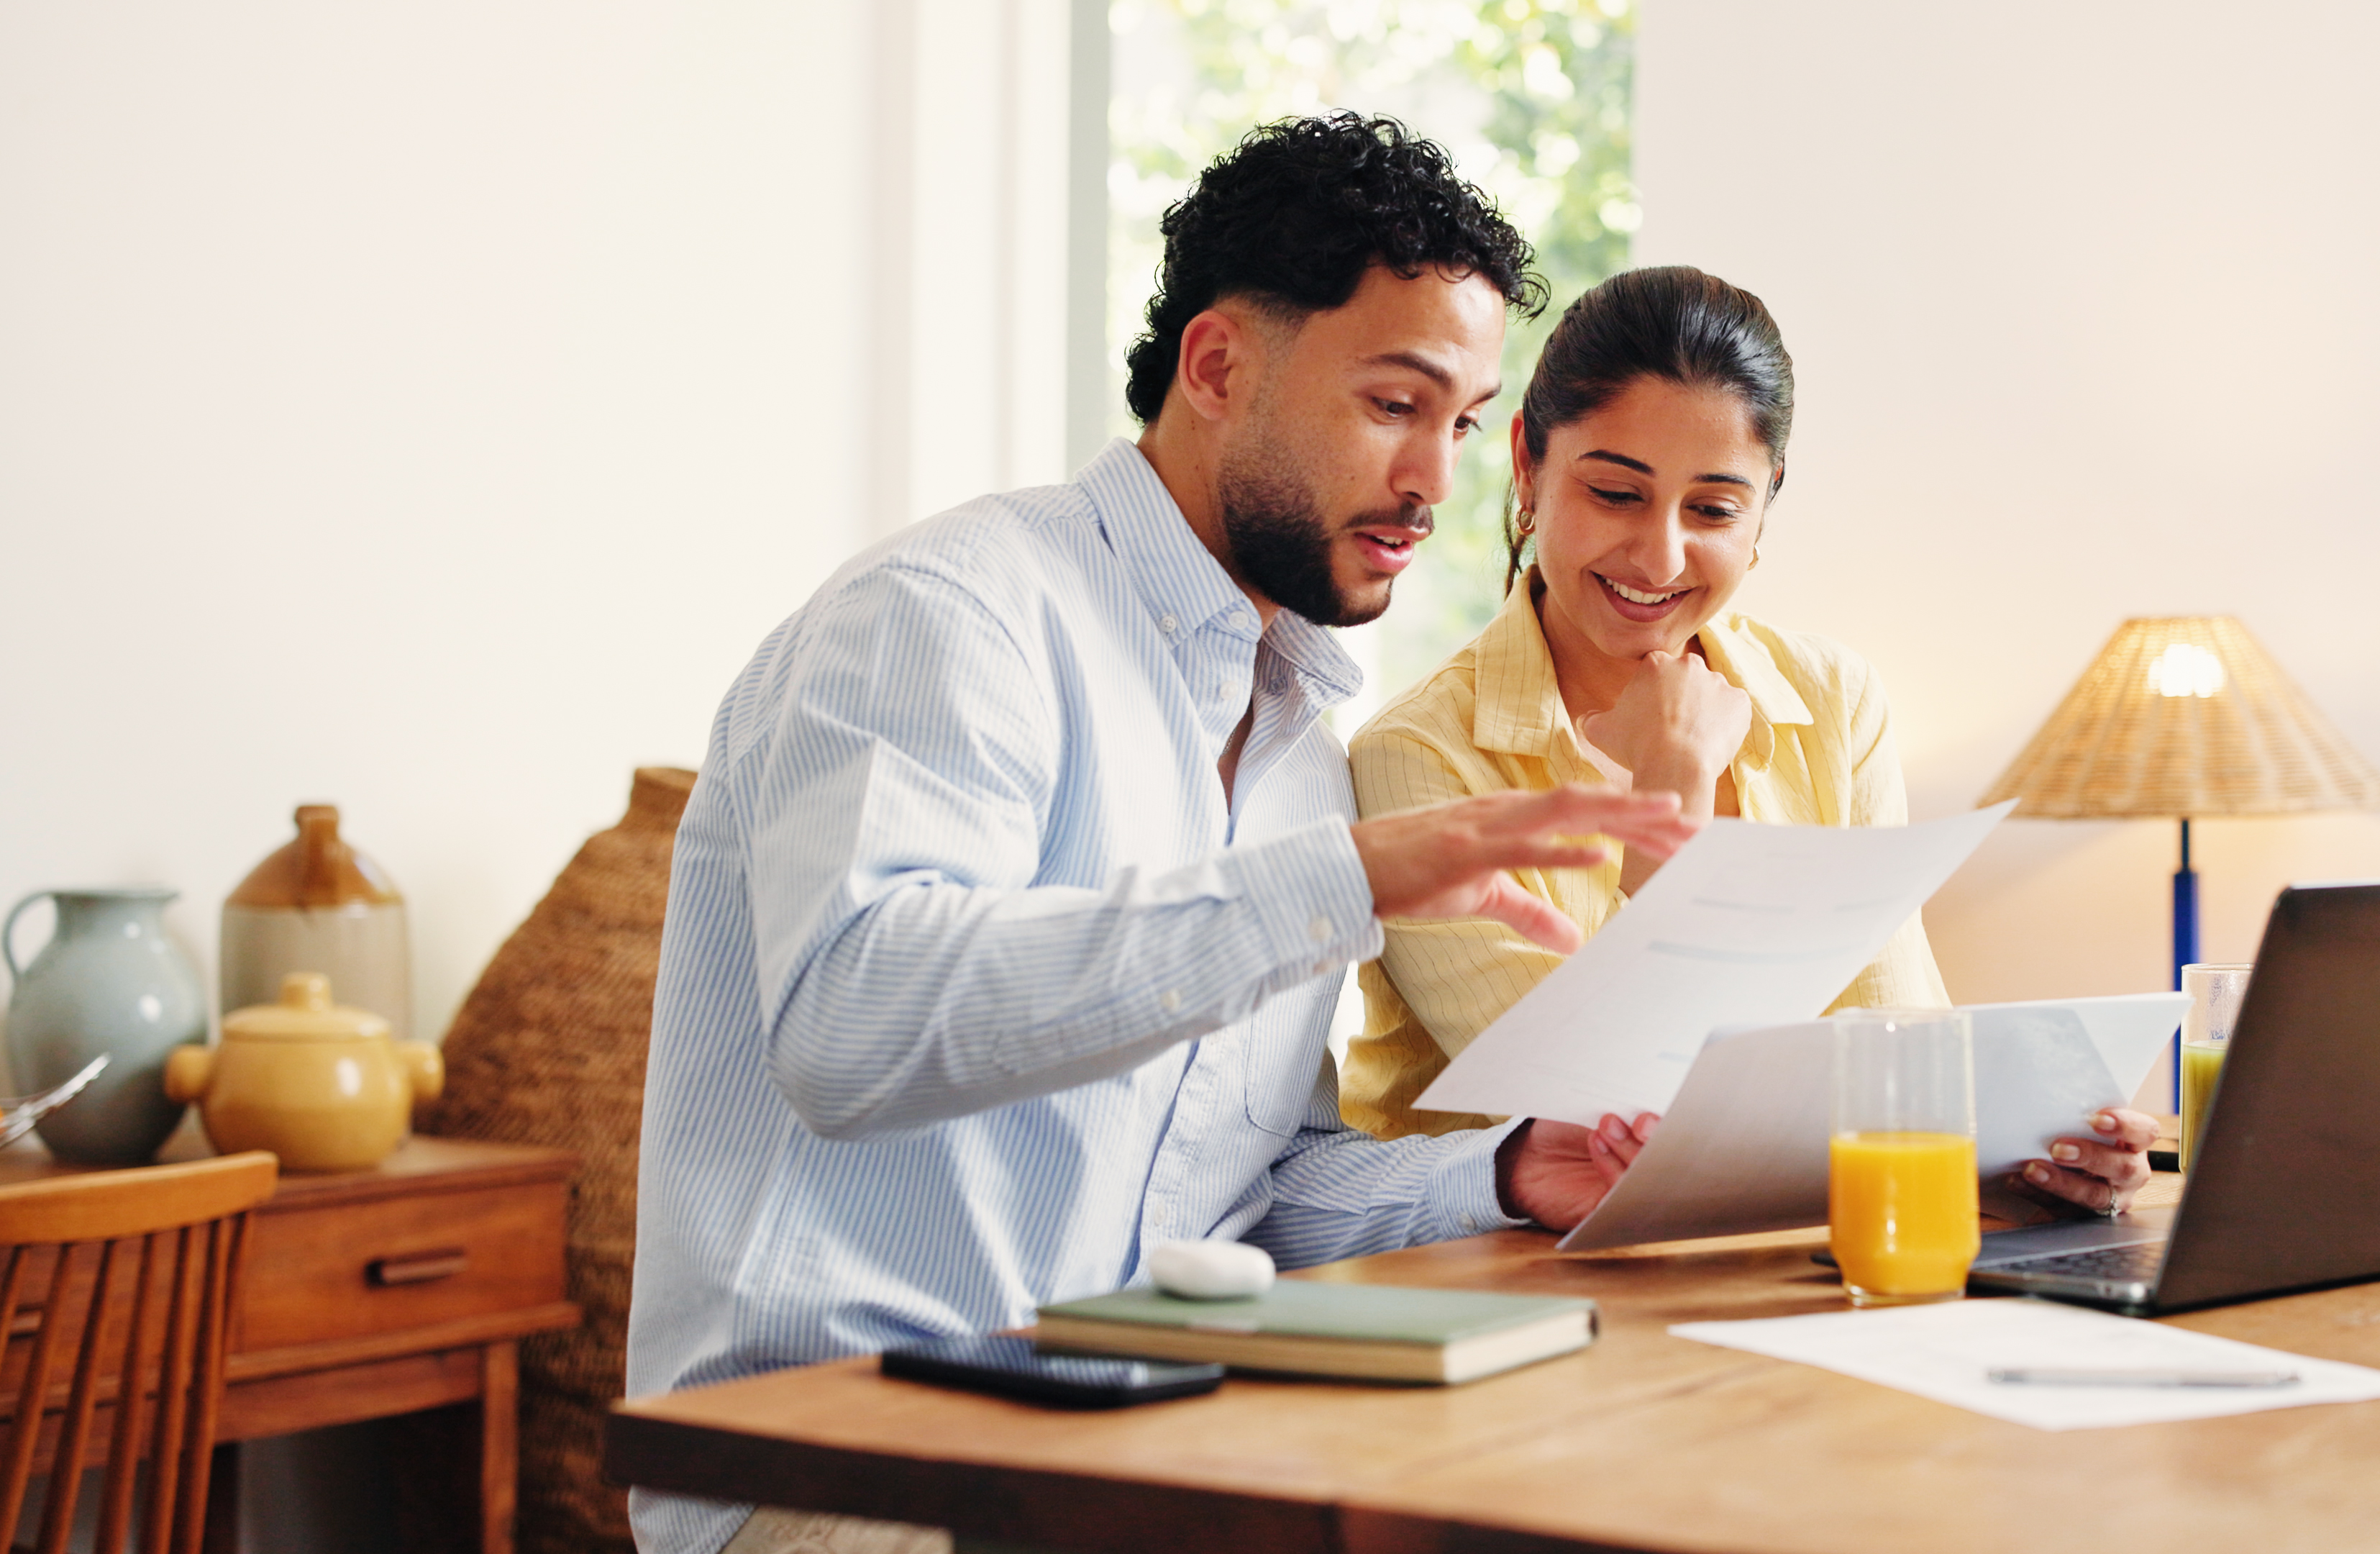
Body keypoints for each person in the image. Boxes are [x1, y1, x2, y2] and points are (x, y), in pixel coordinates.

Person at [627, 115, 1690, 1554]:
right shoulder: (952, 616)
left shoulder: (1292, 748)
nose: (1436, 485)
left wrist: (1496, 1173)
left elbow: (1240, 1199)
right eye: (1393, 404)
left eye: (1459, 422)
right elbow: (849, 1021)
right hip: (849, 1479)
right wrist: (1332, 885)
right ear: (1216, 367)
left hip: (1132, 1451)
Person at [1341, 265, 2155, 1218]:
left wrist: (2029, 1150)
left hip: (1766, 1256)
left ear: (1767, 503)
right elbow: (1602, 1110)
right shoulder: (1417, 757)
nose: (1661, 556)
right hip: (1494, 1280)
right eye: (1615, 493)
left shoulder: (1831, 701)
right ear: (1528, 465)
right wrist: (1673, 783)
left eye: (1715, 509)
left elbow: (1893, 1042)